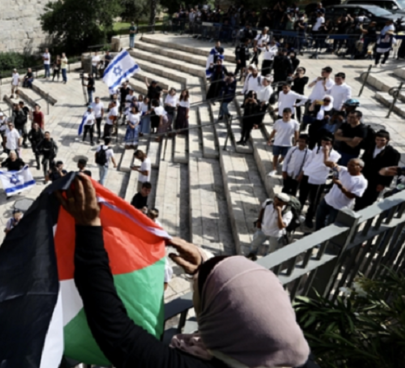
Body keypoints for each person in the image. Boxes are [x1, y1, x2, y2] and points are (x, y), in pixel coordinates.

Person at [59, 174, 310, 368]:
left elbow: (115, 329)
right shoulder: (291, 355)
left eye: (207, 293)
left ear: (222, 321)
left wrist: (89, 229)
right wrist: (205, 263)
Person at [298, 135, 341, 229]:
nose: (324, 145)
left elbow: (327, 165)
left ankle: (309, 218)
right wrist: (303, 172)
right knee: (302, 197)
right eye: (323, 143)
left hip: (318, 179)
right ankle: (295, 216)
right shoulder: (317, 149)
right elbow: (309, 161)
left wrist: (326, 153)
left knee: (314, 201)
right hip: (308, 174)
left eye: (327, 143)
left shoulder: (335, 155)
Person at [315, 159, 368, 230]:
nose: (348, 166)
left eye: (352, 165)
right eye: (348, 164)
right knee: (319, 219)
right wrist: (333, 164)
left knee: (330, 227)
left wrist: (340, 186)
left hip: (339, 208)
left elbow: (352, 196)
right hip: (327, 201)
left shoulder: (362, 181)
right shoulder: (343, 170)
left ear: (360, 168)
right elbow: (328, 164)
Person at [356, 130, 400, 211]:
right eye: (377, 139)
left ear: (387, 140)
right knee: (359, 196)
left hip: (377, 180)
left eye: (382, 140)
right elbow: (364, 159)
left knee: (369, 200)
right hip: (364, 176)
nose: (379, 142)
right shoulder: (371, 146)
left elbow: (392, 171)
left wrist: (383, 184)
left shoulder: (393, 154)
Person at [247, 193, 293, 259]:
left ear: (284, 203)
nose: (275, 204)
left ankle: (266, 260)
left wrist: (279, 212)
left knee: (272, 250)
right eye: (275, 201)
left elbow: (281, 226)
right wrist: (259, 220)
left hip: (275, 235)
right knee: (254, 244)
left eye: (278, 203)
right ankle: (252, 254)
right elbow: (262, 209)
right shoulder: (268, 202)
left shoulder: (288, 213)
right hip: (263, 230)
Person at [267, 108, 300, 177]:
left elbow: (296, 133)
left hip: (288, 143)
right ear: (282, 114)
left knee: (284, 156)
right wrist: (270, 139)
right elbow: (274, 131)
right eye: (285, 114)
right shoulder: (278, 122)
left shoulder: (295, 123)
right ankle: (274, 169)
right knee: (275, 156)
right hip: (277, 142)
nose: (286, 116)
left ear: (291, 114)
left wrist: (296, 142)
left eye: (288, 114)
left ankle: (278, 162)